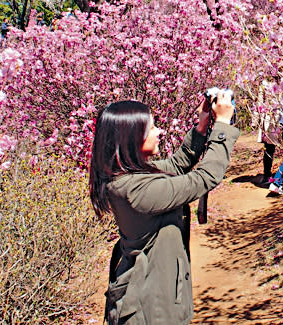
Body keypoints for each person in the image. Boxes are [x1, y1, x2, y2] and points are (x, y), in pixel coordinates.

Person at [89, 91, 239, 325]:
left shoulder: (130, 176)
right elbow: (203, 179)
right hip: (150, 307)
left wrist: (202, 126)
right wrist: (221, 125)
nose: (159, 132)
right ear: (131, 138)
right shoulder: (136, 189)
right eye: (151, 128)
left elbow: (176, 165)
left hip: (152, 293)